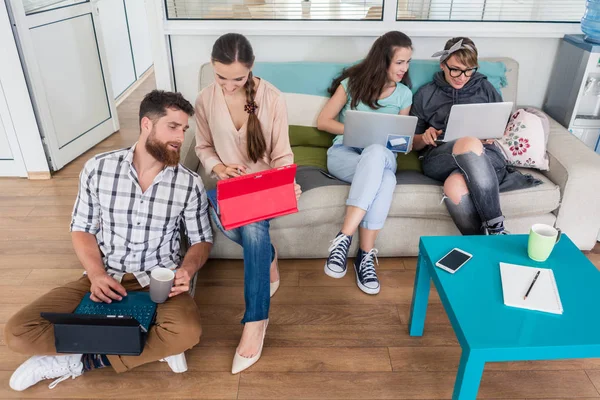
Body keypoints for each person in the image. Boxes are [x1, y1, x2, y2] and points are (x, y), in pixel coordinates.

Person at [4, 90, 213, 391]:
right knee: (18, 332)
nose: (180, 137)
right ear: (146, 125)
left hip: (158, 280)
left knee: (187, 332)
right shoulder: (98, 169)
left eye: (184, 129)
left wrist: (188, 270)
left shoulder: (188, 183)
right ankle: (150, 346)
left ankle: (78, 360)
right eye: (173, 126)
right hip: (105, 274)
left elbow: (201, 240)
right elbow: (81, 228)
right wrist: (96, 275)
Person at [194, 33, 301, 374]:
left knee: (254, 229)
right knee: (206, 201)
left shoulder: (272, 98)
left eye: (237, 78)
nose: (228, 85)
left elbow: (282, 153)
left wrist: (286, 181)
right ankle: (269, 257)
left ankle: (256, 321)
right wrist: (219, 167)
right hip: (226, 186)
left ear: (251, 69)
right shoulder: (204, 99)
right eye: (220, 76)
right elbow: (202, 147)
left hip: (263, 187)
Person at [411, 37, 540, 236]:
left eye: (468, 70)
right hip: (440, 158)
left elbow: (502, 125)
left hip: (485, 156)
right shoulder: (426, 94)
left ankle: (482, 243)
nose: (462, 77)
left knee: (454, 187)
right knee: (468, 141)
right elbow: (412, 143)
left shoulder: (486, 89)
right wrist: (425, 137)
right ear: (442, 65)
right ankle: (497, 229)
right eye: (455, 69)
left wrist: (491, 134)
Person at [317, 31, 413, 295]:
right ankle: (365, 257)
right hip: (344, 155)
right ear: (382, 61)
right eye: (399, 62)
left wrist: (384, 141)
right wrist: (357, 132)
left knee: (375, 151)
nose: (404, 68)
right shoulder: (351, 84)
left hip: (381, 157)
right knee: (387, 179)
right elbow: (323, 121)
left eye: (407, 62)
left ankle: (343, 238)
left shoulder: (404, 95)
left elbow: (400, 142)